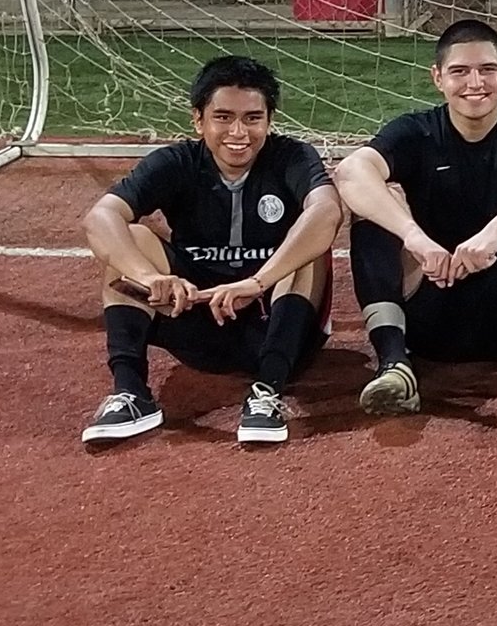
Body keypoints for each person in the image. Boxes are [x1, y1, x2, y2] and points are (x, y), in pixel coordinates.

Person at [334, 20, 497, 419]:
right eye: (460, 71)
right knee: (374, 208)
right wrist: (416, 240)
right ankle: (393, 364)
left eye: (487, 69)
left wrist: (496, 231)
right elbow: (351, 173)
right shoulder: (417, 131)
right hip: (429, 314)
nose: (476, 82)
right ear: (437, 78)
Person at [79, 56, 342, 445]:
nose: (239, 131)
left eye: (253, 118)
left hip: (275, 322)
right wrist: (150, 277)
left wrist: (256, 282)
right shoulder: (176, 163)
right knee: (131, 239)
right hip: (198, 316)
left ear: (269, 121)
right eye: (223, 117)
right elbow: (99, 218)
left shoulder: (292, 157)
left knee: (307, 247)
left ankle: (267, 393)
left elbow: (327, 212)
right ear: (198, 120)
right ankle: (131, 392)